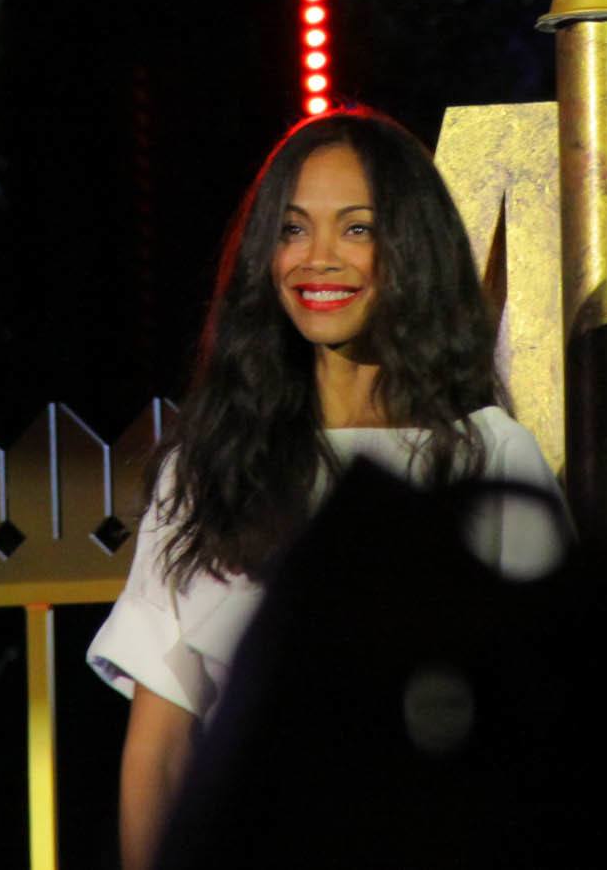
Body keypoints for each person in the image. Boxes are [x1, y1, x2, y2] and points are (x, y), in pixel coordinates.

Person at [85, 108, 565, 870]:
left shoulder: (489, 457)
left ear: (412, 248)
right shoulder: (208, 468)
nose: (317, 259)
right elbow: (160, 747)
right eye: (292, 228)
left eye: (357, 228)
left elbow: (548, 722)